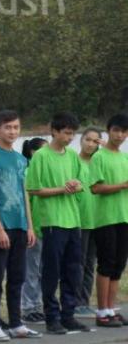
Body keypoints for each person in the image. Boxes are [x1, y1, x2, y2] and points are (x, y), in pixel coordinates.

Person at [26, 112, 88, 334]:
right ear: (54, 131)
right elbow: (34, 189)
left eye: (72, 134)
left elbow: (82, 182)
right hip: (52, 221)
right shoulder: (41, 156)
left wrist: (75, 185)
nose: (69, 138)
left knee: (73, 270)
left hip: (73, 220)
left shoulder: (72, 156)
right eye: (66, 133)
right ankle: (52, 317)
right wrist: (62, 189)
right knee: (52, 271)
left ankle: (68, 314)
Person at [0, 111, 40, 342]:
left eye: (16, 127)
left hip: (20, 226)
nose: (12, 131)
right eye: (8, 127)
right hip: (1, 225)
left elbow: (24, 194)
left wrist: (29, 226)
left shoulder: (21, 160)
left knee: (17, 277)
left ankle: (16, 323)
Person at [90, 113, 128, 327]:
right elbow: (96, 188)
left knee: (119, 264)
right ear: (108, 131)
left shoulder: (125, 158)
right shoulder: (99, 157)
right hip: (105, 218)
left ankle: (111, 309)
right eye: (116, 130)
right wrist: (122, 185)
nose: (120, 135)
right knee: (106, 263)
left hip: (124, 216)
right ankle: (102, 310)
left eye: (124, 132)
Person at [20, 137, 48, 323]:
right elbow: (26, 203)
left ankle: (38, 305)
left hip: (47, 225)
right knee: (31, 268)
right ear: (33, 152)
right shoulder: (27, 172)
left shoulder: (46, 171)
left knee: (43, 269)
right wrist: (29, 227)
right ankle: (28, 307)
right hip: (33, 227)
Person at [75, 128, 101, 316]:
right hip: (79, 221)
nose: (91, 144)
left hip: (98, 221)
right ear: (81, 140)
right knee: (78, 263)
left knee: (90, 264)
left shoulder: (98, 163)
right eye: (88, 139)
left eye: (95, 141)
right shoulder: (73, 162)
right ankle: (75, 302)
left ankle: (84, 301)